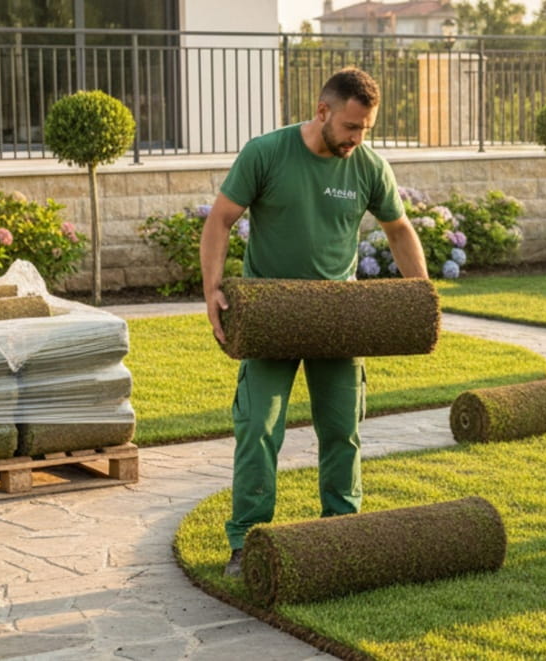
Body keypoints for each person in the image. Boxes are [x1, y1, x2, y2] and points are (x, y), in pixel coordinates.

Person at [199, 67, 428, 577]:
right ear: (323, 111)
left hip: (337, 318)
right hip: (270, 316)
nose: (356, 138)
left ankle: (341, 529)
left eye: (365, 128)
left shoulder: (367, 165)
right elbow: (219, 220)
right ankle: (245, 540)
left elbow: (399, 230)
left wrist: (421, 296)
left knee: (342, 429)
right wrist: (212, 289)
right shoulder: (266, 152)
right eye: (351, 127)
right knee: (257, 427)